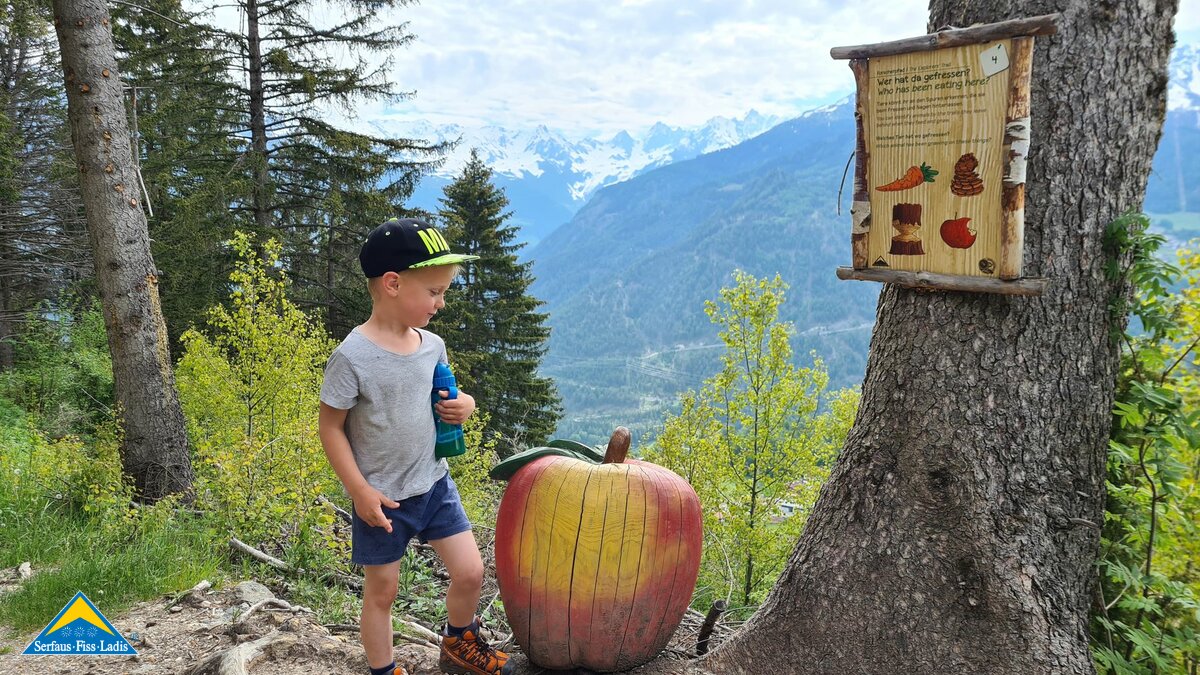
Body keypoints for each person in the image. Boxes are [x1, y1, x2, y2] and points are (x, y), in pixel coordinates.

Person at [318, 217, 513, 675]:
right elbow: (330, 428)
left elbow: (447, 399)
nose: (441, 303)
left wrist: (464, 405)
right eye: (433, 291)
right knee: (382, 591)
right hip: (381, 498)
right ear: (391, 284)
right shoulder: (351, 357)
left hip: (433, 485)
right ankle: (384, 671)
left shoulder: (433, 346)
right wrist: (359, 491)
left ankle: (457, 643)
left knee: (470, 571)